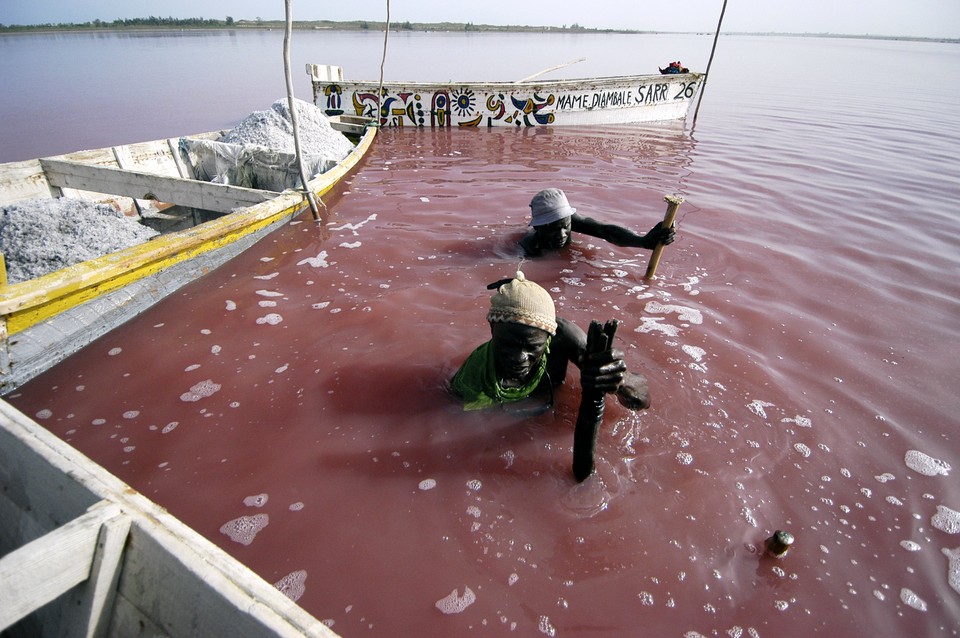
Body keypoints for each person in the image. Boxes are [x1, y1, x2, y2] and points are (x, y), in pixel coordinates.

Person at [451, 271, 650, 413]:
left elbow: (643, 400)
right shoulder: (473, 381)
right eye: (508, 344)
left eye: (532, 347)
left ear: (549, 336)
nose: (519, 358)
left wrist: (621, 381)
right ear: (492, 329)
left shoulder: (562, 336)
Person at [518, 188, 675, 257]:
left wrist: (643, 242)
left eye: (565, 226)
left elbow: (607, 231)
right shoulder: (530, 245)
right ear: (537, 228)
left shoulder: (570, 220)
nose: (561, 234)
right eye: (552, 229)